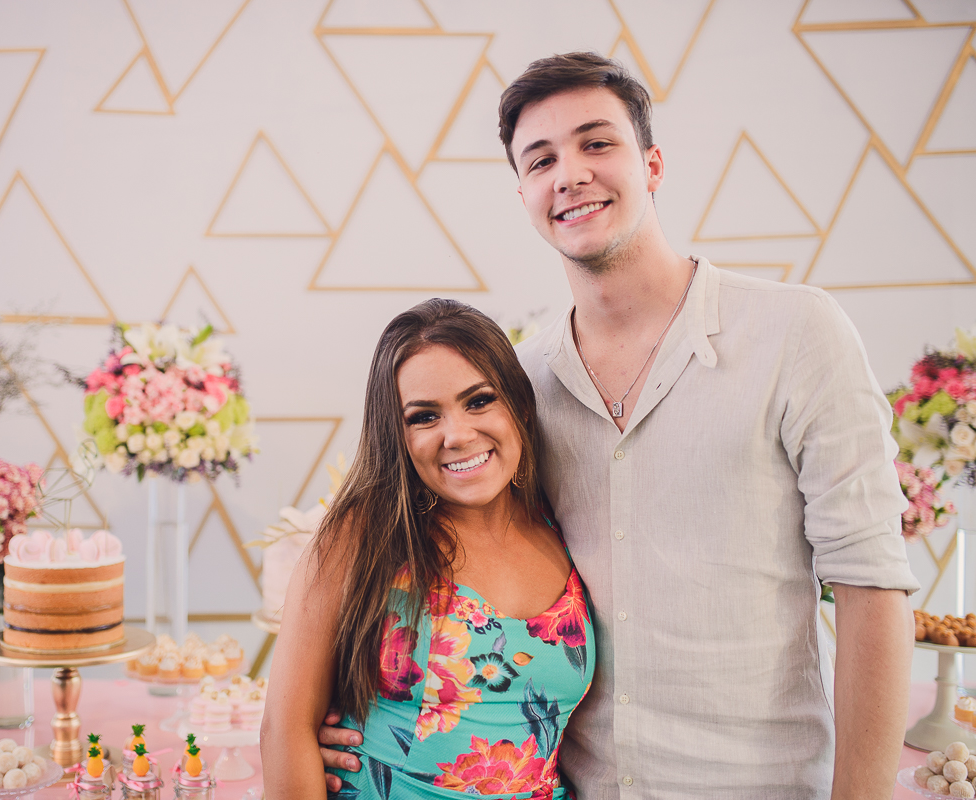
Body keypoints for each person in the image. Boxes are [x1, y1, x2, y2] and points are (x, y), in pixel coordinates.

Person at [317, 52, 919, 798]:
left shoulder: (797, 334)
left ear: (653, 164)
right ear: (524, 194)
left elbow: (871, 585)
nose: (569, 173)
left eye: (596, 143)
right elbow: (433, 569)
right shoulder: (519, 385)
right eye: (541, 160)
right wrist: (355, 719)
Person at [260, 298, 596, 799]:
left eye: (479, 400)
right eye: (423, 416)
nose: (457, 435)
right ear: (396, 433)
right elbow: (285, 730)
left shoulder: (566, 522)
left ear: (520, 405)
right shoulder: (360, 537)